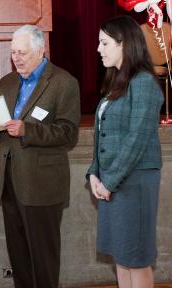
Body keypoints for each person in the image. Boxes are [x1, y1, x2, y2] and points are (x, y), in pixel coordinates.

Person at [0, 24, 80, 288]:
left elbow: (68, 132)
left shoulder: (64, 83)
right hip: (9, 182)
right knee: (19, 257)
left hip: (42, 185)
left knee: (43, 259)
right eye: (13, 52)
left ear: (41, 51)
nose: (16, 58)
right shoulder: (7, 82)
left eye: (22, 52)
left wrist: (27, 131)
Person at [86, 15, 164, 288]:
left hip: (135, 182)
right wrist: (94, 173)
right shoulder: (116, 82)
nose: (99, 49)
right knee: (121, 255)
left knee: (136, 258)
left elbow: (137, 140)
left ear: (124, 44)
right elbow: (102, 133)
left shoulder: (143, 82)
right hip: (113, 181)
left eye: (104, 43)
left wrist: (108, 181)